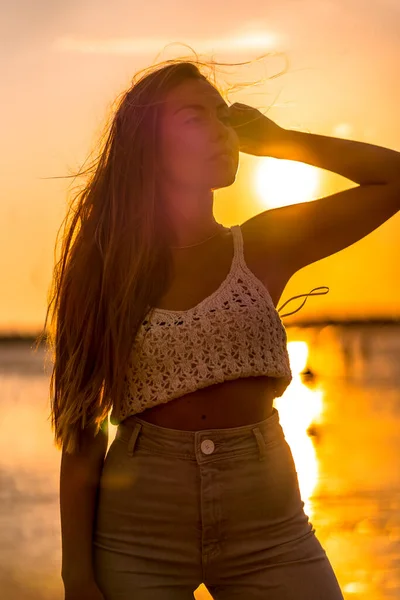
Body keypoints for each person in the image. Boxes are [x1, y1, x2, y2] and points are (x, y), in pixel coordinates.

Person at [39, 57, 400, 599]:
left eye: (222, 116)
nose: (221, 131)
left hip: (269, 522)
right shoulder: (106, 266)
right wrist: (77, 578)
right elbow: (81, 424)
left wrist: (281, 141)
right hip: (139, 527)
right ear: (148, 145)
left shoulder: (264, 245)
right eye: (194, 118)